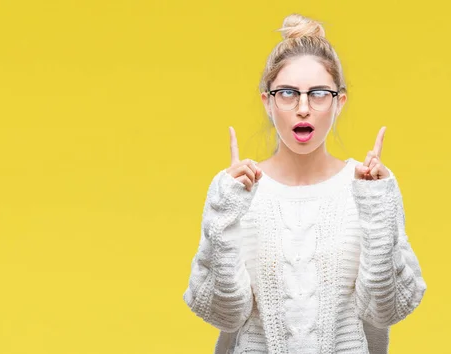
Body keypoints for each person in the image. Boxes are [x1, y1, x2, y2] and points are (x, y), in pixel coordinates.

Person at [182, 13, 427, 354]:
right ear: (267, 101)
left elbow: (384, 311)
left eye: (318, 94)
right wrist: (225, 212)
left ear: (339, 102)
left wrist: (375, 205)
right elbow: (224, 314)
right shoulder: (235, 191)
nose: (302, 108)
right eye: (287, 93)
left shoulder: (372, 189)